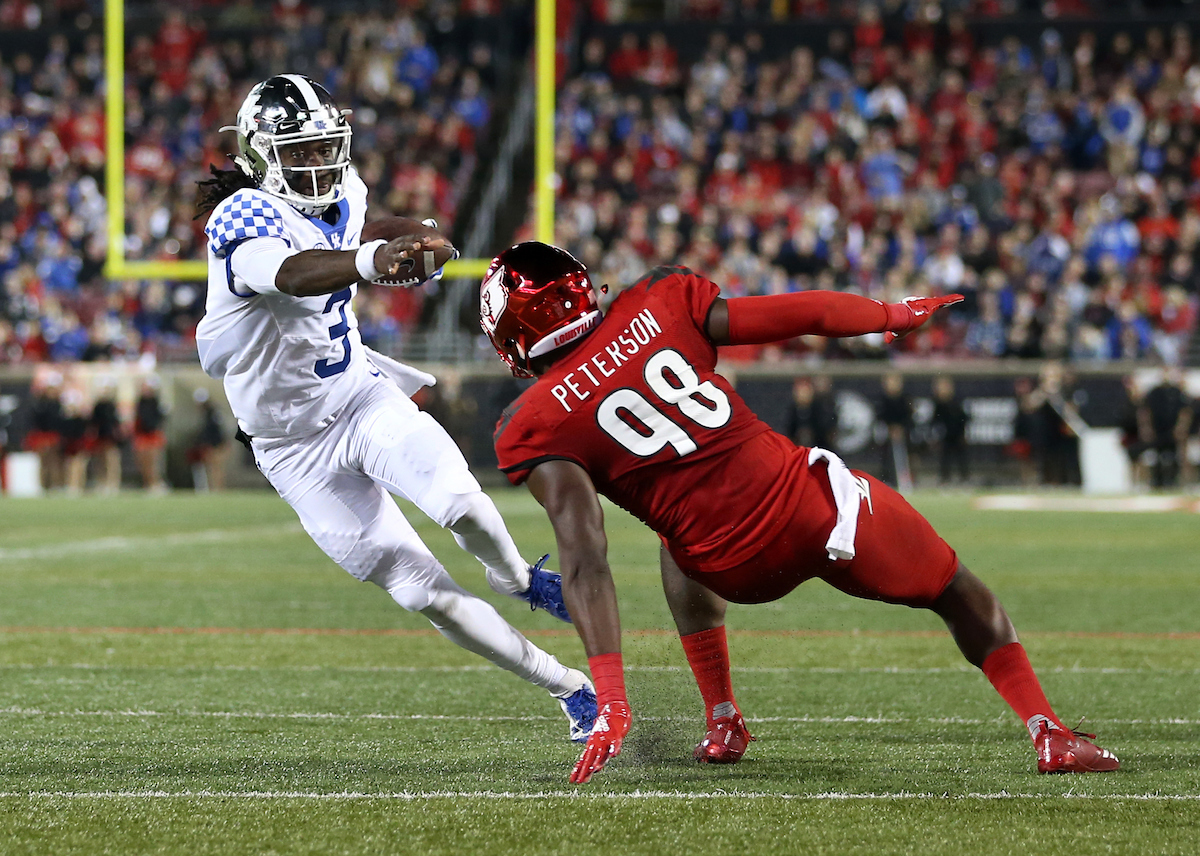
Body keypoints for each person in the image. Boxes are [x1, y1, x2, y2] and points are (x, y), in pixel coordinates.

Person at [480, 243, 1119, 783]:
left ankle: (723, 718)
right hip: (816, 518)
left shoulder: (531, 423)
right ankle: (1049, 731)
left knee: (675, 547)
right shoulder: (658, 299)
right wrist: (891, 314)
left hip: (725, 565)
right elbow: (801, 312)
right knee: (956, 591)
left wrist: (614, 700)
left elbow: (586, 561)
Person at [193, 75, 596, 742]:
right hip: (292, 450)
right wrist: (375, 260)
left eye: (325, 149)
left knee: (460, 502)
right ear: (262, 156)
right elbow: (292, 272)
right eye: (300, 153)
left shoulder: (342, 192)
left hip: (357, 395)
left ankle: (517, 576)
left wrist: (414, 240)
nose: (318, 165)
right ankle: (568, 688)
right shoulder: (243, 216)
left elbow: (357, 228)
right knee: (421, 591)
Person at [188, 388, 231, 492]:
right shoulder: (209, 413)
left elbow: (216, 431)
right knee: (213, 468)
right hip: (212, 444)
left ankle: (218, 488)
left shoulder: (212, 413)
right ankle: (215, 488)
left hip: (216, 444)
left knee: (216, 468)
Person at [930, 376, 970, 485]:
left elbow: (964, 418)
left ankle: (964, 478)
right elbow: (935, 420)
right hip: (945, 435)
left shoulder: (957, 401)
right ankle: (945, 479)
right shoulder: (938, 403)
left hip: (957, 434)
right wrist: (935, 436)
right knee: (945, 458)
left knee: (961, 458)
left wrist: (963, 433)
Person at [132, 377, 169, 492]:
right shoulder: (139, 402)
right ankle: (147, 483)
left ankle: (156, 483)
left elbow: (160, 419)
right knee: (143, 463)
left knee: (154, 462)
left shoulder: (156, 402)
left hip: (152, 435)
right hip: (142, 435)